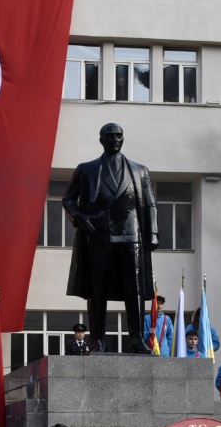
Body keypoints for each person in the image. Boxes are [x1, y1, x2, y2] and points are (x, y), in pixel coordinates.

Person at [63, 123, 157, 351]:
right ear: (101, 140)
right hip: (99, 234)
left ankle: (137, 339)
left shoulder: (139, 170)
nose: (115, 140)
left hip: (130, 234)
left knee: (134, 288)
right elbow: (68, 199)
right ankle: (98, 341)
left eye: (119, 136)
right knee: (98, 289)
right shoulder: (86, 169)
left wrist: (152, 233)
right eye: (110, 136)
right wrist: (80, 216)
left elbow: (149, 204)